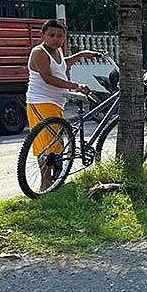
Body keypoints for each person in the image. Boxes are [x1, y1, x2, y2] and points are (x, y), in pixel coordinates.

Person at [25, 19, 99, 190]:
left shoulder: (57, 51)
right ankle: (45, 184)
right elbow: (48, 78)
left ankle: (57, 181)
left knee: (56, 144)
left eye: (60, 36)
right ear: (42, 35)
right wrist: (76, 86)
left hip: (56, 103)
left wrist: (80, 56)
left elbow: (62, 64)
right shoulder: (39, 52)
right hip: (40, 102)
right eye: (51, 35)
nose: (56, 39)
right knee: (46, 145)